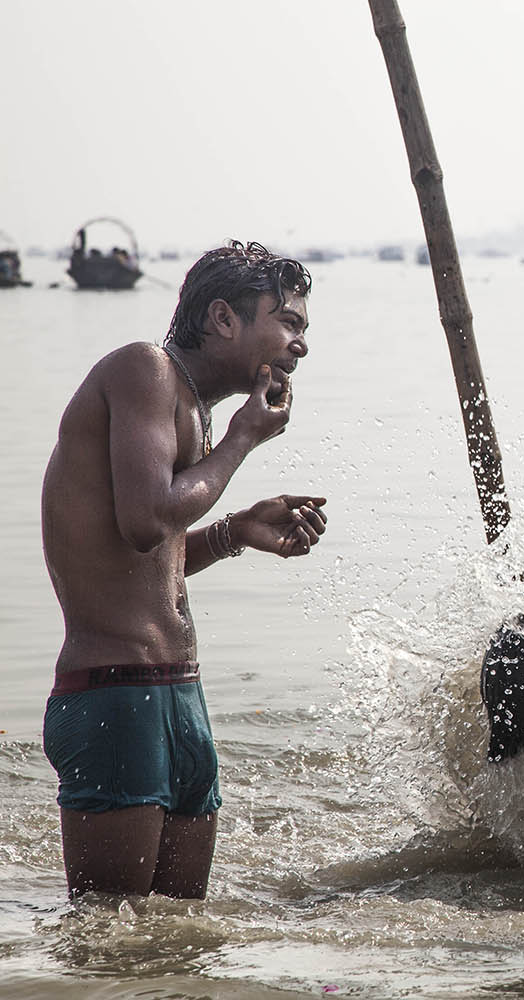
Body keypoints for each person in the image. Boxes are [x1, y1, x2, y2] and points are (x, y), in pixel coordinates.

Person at [41, 240, 329, 899]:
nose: (300, 344)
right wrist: (241, 441)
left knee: (178, 943)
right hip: (115, 695)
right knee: (111, 942)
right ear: (224, 318)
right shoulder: (144, 371)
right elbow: (147, 519)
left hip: (178, 695)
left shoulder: (193, 408)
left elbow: (145, 557)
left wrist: (235, 532)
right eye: (288, 321)